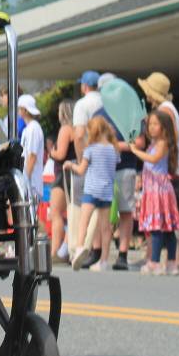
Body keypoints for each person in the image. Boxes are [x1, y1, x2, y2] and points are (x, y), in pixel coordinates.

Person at [131, 110, 179, 275]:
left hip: (159, 190)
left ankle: (155, 262)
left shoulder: (163, 143)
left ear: (164, 127)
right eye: (149, 124)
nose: (151, 128)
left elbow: (153, 159)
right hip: (153, 189)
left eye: (155, 124)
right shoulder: (154, 144)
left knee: (159, 227)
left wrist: (135, 151)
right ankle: (170, 263)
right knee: (165, 228)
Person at [65, 116, 119, 271]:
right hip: (107, 191)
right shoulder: (112, 150)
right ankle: (104, 260)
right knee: (105, 227)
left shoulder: (90, 150)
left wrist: (71, 166)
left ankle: (80, 247)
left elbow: (81, 170)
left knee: (84, 221)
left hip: (91, 190)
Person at [69, 70, 103, 263]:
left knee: (87, 205)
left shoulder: (82, 104)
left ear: (84, 86)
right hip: (106, 156)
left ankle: (87, 247)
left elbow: (79, 134)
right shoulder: (105, 103)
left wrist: (82, 158)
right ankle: (100, 251)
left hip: (90, 156)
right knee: (103, 206)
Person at [137, 72, 179, 177]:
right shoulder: (166, 107)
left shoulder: (165, 109)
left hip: (170, 171)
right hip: (170, 169)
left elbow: (173, 136)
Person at [48, 100, 75, 264]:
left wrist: (52, 152)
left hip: (62, 175)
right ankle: (63, 248)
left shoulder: (65, 129)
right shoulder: (78, 128)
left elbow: (61, 153)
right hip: (72, 173)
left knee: (56, 214)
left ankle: (55, 252)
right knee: (70, 213)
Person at [17, 94, 45, 199]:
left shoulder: (33, 128)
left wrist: (25, 179)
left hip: (32, 183)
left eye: (20, 108)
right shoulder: (28, 129)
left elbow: (32, 156)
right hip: (29, 181)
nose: (18, 111)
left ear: (25, 110)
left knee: (31, 215)